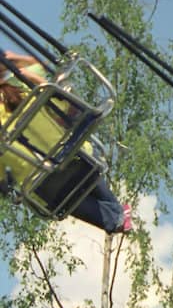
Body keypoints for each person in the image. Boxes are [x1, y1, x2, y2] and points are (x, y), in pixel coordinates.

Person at [0, 52, 131, 234]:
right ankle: (117, 215)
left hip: (41, 185)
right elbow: (39, 64)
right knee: (86, 169)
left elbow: (3, 179)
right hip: (73, 157)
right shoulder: (20, 85)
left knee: (62, 196)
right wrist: (12, 59)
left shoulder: (17, 87)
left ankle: (116, 218)